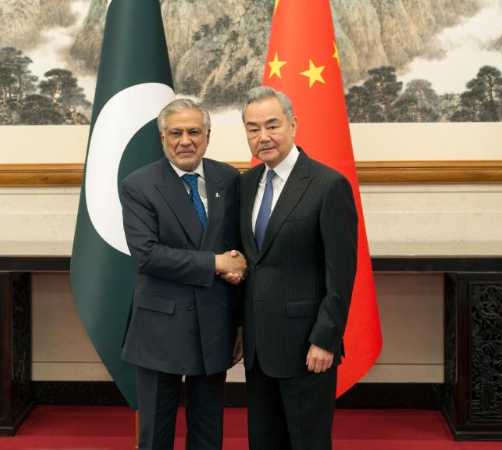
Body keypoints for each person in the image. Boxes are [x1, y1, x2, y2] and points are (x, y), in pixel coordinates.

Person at [120, 98, 246, 450]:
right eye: (176, 133)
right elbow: (147, 255)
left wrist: (239, 272)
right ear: (162, 138)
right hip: (160, 327)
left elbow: (238, 245)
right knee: (155, 436)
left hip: (215, 323)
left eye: (194, 132)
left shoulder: (229, 178)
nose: (185, 141)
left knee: (208, 432)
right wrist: (216, 263)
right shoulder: (139, 185)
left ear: (207, 135)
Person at [238, 86, 358, 449]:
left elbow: (341, 275)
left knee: (308, 442)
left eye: (272, 125)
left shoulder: (328, 185)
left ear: (293, 125)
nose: (263, 136)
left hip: (306, 348)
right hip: (258, 348)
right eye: (253, 128)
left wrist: (325, 339)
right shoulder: (245, 184)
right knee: (263, 441)